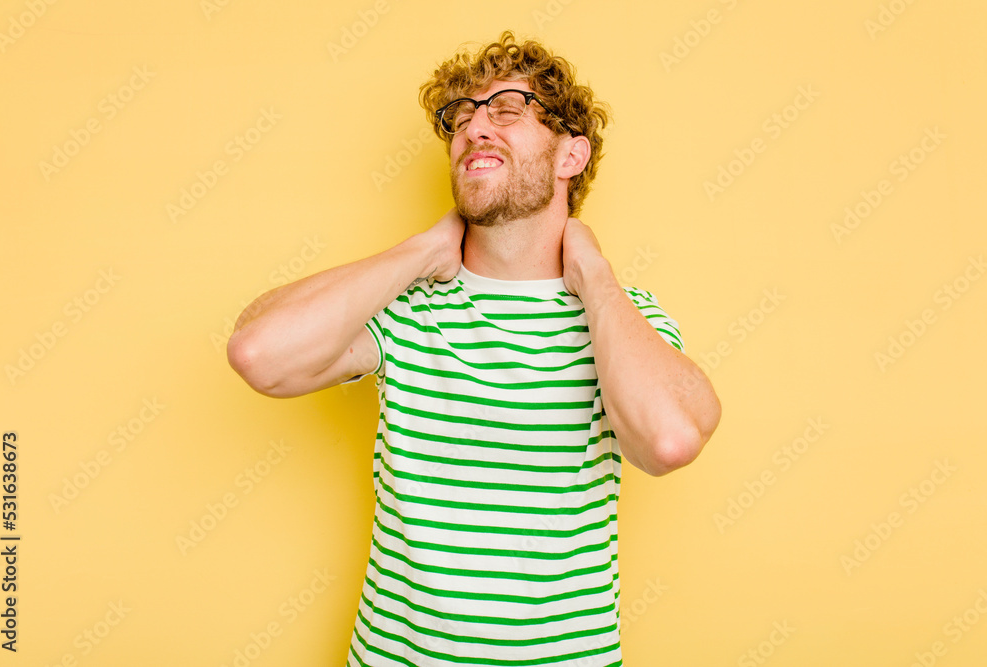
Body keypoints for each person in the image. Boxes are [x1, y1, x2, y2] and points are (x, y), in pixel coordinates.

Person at [227, 30, 721, 667]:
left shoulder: (625, 320)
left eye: (507, 110)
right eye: (460, 117)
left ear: (572, 155)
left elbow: (669, 441)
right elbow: (257, 353)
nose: (474, 128)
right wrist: (421, 252)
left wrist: (593, 271)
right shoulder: (408, 307)